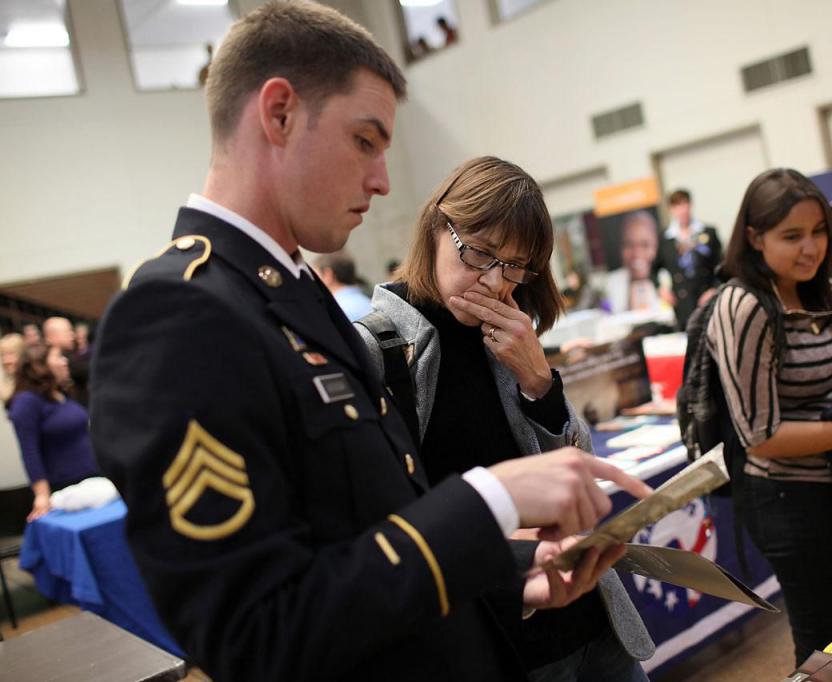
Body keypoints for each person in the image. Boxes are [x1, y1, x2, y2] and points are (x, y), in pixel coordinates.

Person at [88, 4, 649, 681]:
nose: (383, 180)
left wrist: (514, 569)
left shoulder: (296, 300)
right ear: (279, 114)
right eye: (364, 141)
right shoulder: (179, 313)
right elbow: (256, 634)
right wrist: (489, 500)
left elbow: (376, 534)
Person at [357, 156, 655, 681]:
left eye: (515, 265)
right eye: (479, 254)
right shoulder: (375, 349)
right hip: (495, 637)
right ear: (434, 229)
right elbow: (383, 523)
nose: (495, 282)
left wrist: (539, 381)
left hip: (592, 618)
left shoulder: (512, 333)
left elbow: (578, 465)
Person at [707, 168, 832, 664]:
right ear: (755, 238)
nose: (811, 248)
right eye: (792, 236)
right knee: (826, 646)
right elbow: (760, 435)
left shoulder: (813, 287)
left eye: (819, 231)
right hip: (787, 497)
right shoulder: (745, 305)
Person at [6, 344, 98, 520]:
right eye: (58, 357)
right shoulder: (26, 401)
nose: (65, 362)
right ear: (40, 366)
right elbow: (29, 451)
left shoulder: (62, 394)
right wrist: (42, 495)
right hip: (67, 489)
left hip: (93, 479)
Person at [660, 189, 722, 328]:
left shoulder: (708, 233)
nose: (682, 210)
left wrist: (714, 289)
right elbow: (654, 269)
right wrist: (661, 289)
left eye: (685, 204)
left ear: (690, 205)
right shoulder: (666, 238)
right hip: (682, 304)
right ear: (671, 210)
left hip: (707, 299)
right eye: (677, 206)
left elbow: (722, 265)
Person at [603, 211, 669, 314]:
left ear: (657, 245)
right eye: (629, 245)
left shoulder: (668, 277)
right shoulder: (612, 283)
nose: (636, 253)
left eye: (645, 245)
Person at [314, 250, 373, 320]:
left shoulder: (336, 310)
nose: (312, 280)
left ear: (327, 275)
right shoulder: (367, 300)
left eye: (314, 274)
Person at [0, 333, 25, 403]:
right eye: (2, 355)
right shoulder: (3, 382)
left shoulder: (34, 382)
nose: (6, 360)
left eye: (11, 354)